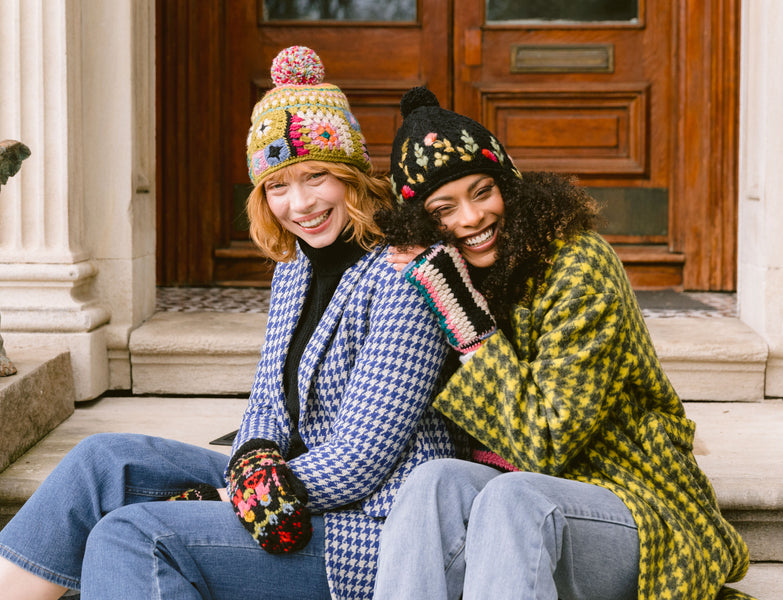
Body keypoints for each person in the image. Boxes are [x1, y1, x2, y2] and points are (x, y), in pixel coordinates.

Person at [0, 48, 453, 600]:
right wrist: (252, 459)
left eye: (317, 177)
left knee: (135, 535)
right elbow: (266, 402)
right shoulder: (294, 266)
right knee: (102, 461)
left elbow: (359, 460)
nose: (300, 203)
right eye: (278, 187)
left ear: (353, 176)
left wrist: (229, 493)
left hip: (374, 530)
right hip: (279, 494)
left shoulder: (404, 273)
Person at [371, 87, 757, 600]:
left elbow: (544, 446)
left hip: (635, 501)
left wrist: (465, 318)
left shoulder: (577, 264)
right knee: (431, 483)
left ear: (510, 185)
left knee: (514, 497)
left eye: (483, 191)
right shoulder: (449, 273)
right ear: (422, 221)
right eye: (444, 208)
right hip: (520, 518)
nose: (470, 218)